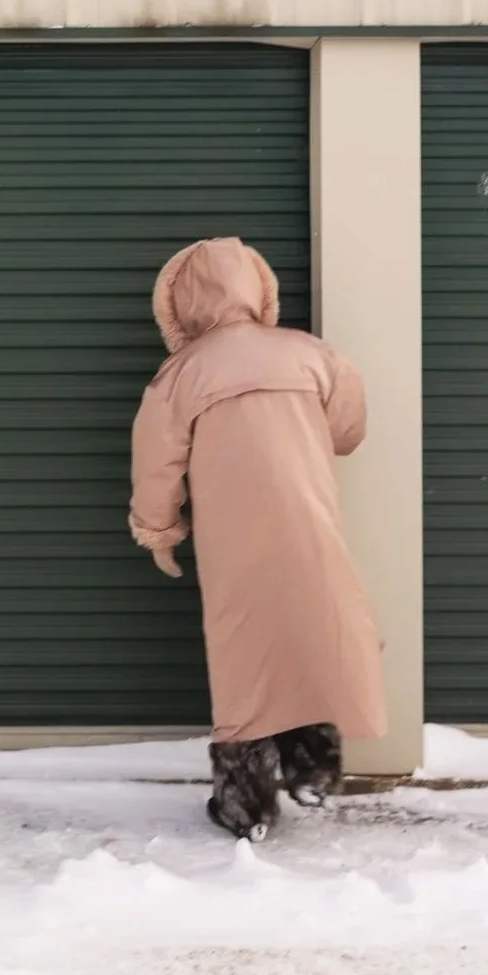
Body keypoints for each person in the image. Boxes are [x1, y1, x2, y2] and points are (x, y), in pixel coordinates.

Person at [128, 237, 386, 842]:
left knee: (244, 654)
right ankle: (313, 769)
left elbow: (156, 467)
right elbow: (348, 432)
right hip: (309, 521)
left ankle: (246, 805)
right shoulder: (311, 354)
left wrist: (159, 531)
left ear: (179, 304)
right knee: (315, 633)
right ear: (258, 289)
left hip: (233, 538)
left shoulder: (180, 375)